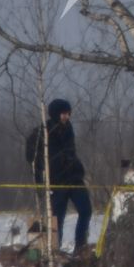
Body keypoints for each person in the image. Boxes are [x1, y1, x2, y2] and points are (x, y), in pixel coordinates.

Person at [26, 98, 90, 253]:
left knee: (86, 210)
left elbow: (71, 152)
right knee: (57, 219)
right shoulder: (43, 131)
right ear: (55, 114)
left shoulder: (69, 129)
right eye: (63, 114)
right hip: (56, 182)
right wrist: (41, 182)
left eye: (68, 113)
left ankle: (80, 246)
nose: (66, 117)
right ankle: (55, 250)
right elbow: (32, 157)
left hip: (74, 178)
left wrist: (74, 164)